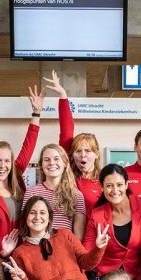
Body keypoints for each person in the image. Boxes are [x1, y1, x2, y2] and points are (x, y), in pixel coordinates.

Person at [0, 84, 43, 256]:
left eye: (6, 161)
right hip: (0, 254)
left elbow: (29, 145)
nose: (2, 165)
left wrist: (36, 113)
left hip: (27, 250)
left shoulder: (17, 178)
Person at [5, 196, 107, 280]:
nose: (37, 217)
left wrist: (98, 248)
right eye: (32, 213)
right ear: (25, 218)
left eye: (42, 212)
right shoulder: (20, 253)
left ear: (49, 217)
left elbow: (87, 264)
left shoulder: (64, 235)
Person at [83, 164, 141, 280]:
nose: (115, 190)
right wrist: (98, 248)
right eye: (109, 186)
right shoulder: (97, 215)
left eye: (119, 185)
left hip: (140, 278)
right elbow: (86, 262)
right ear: (101, 187)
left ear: (126, 185)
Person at [48, 70, 103, 213]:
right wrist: (63, 96)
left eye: (88, 151)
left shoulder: (104, 181)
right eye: (78, 151)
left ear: (97, 154)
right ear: (72, 155)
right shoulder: (68, 173)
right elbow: (66, 130)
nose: (83, 155)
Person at [22, 144, 87, 239]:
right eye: (47, 159)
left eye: (56, 159)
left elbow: (78, 237)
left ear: (65, 163)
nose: (51, 163)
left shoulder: (76, 195)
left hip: (65, 250)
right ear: (41, 165)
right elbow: (24, 230)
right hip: (37, 249)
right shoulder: (31, 193)